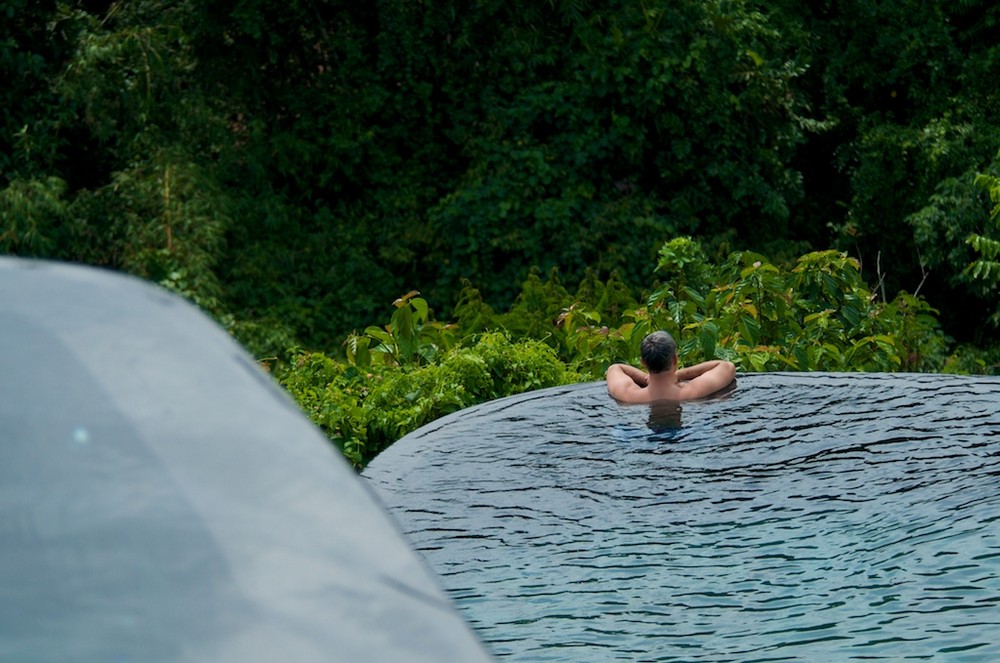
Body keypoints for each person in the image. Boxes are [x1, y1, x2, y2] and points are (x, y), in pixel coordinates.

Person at [606, 331, 736, 404]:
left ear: (643, 363)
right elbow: (726, 366)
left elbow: (615, 368)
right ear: (675, 359)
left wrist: (648, 378)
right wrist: (678, 375)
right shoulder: (693, 392)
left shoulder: (629, 395)